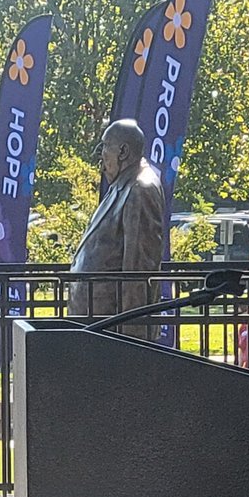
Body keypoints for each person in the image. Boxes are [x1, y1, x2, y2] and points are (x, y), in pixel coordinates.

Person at [68, 119, 164, 339]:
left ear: (123, 151)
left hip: (112, 332)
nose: (101, 155)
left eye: (105, 146)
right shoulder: (122, 186)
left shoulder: (141, 189)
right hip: (96, 328)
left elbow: (138, 270)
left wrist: (131, 341)